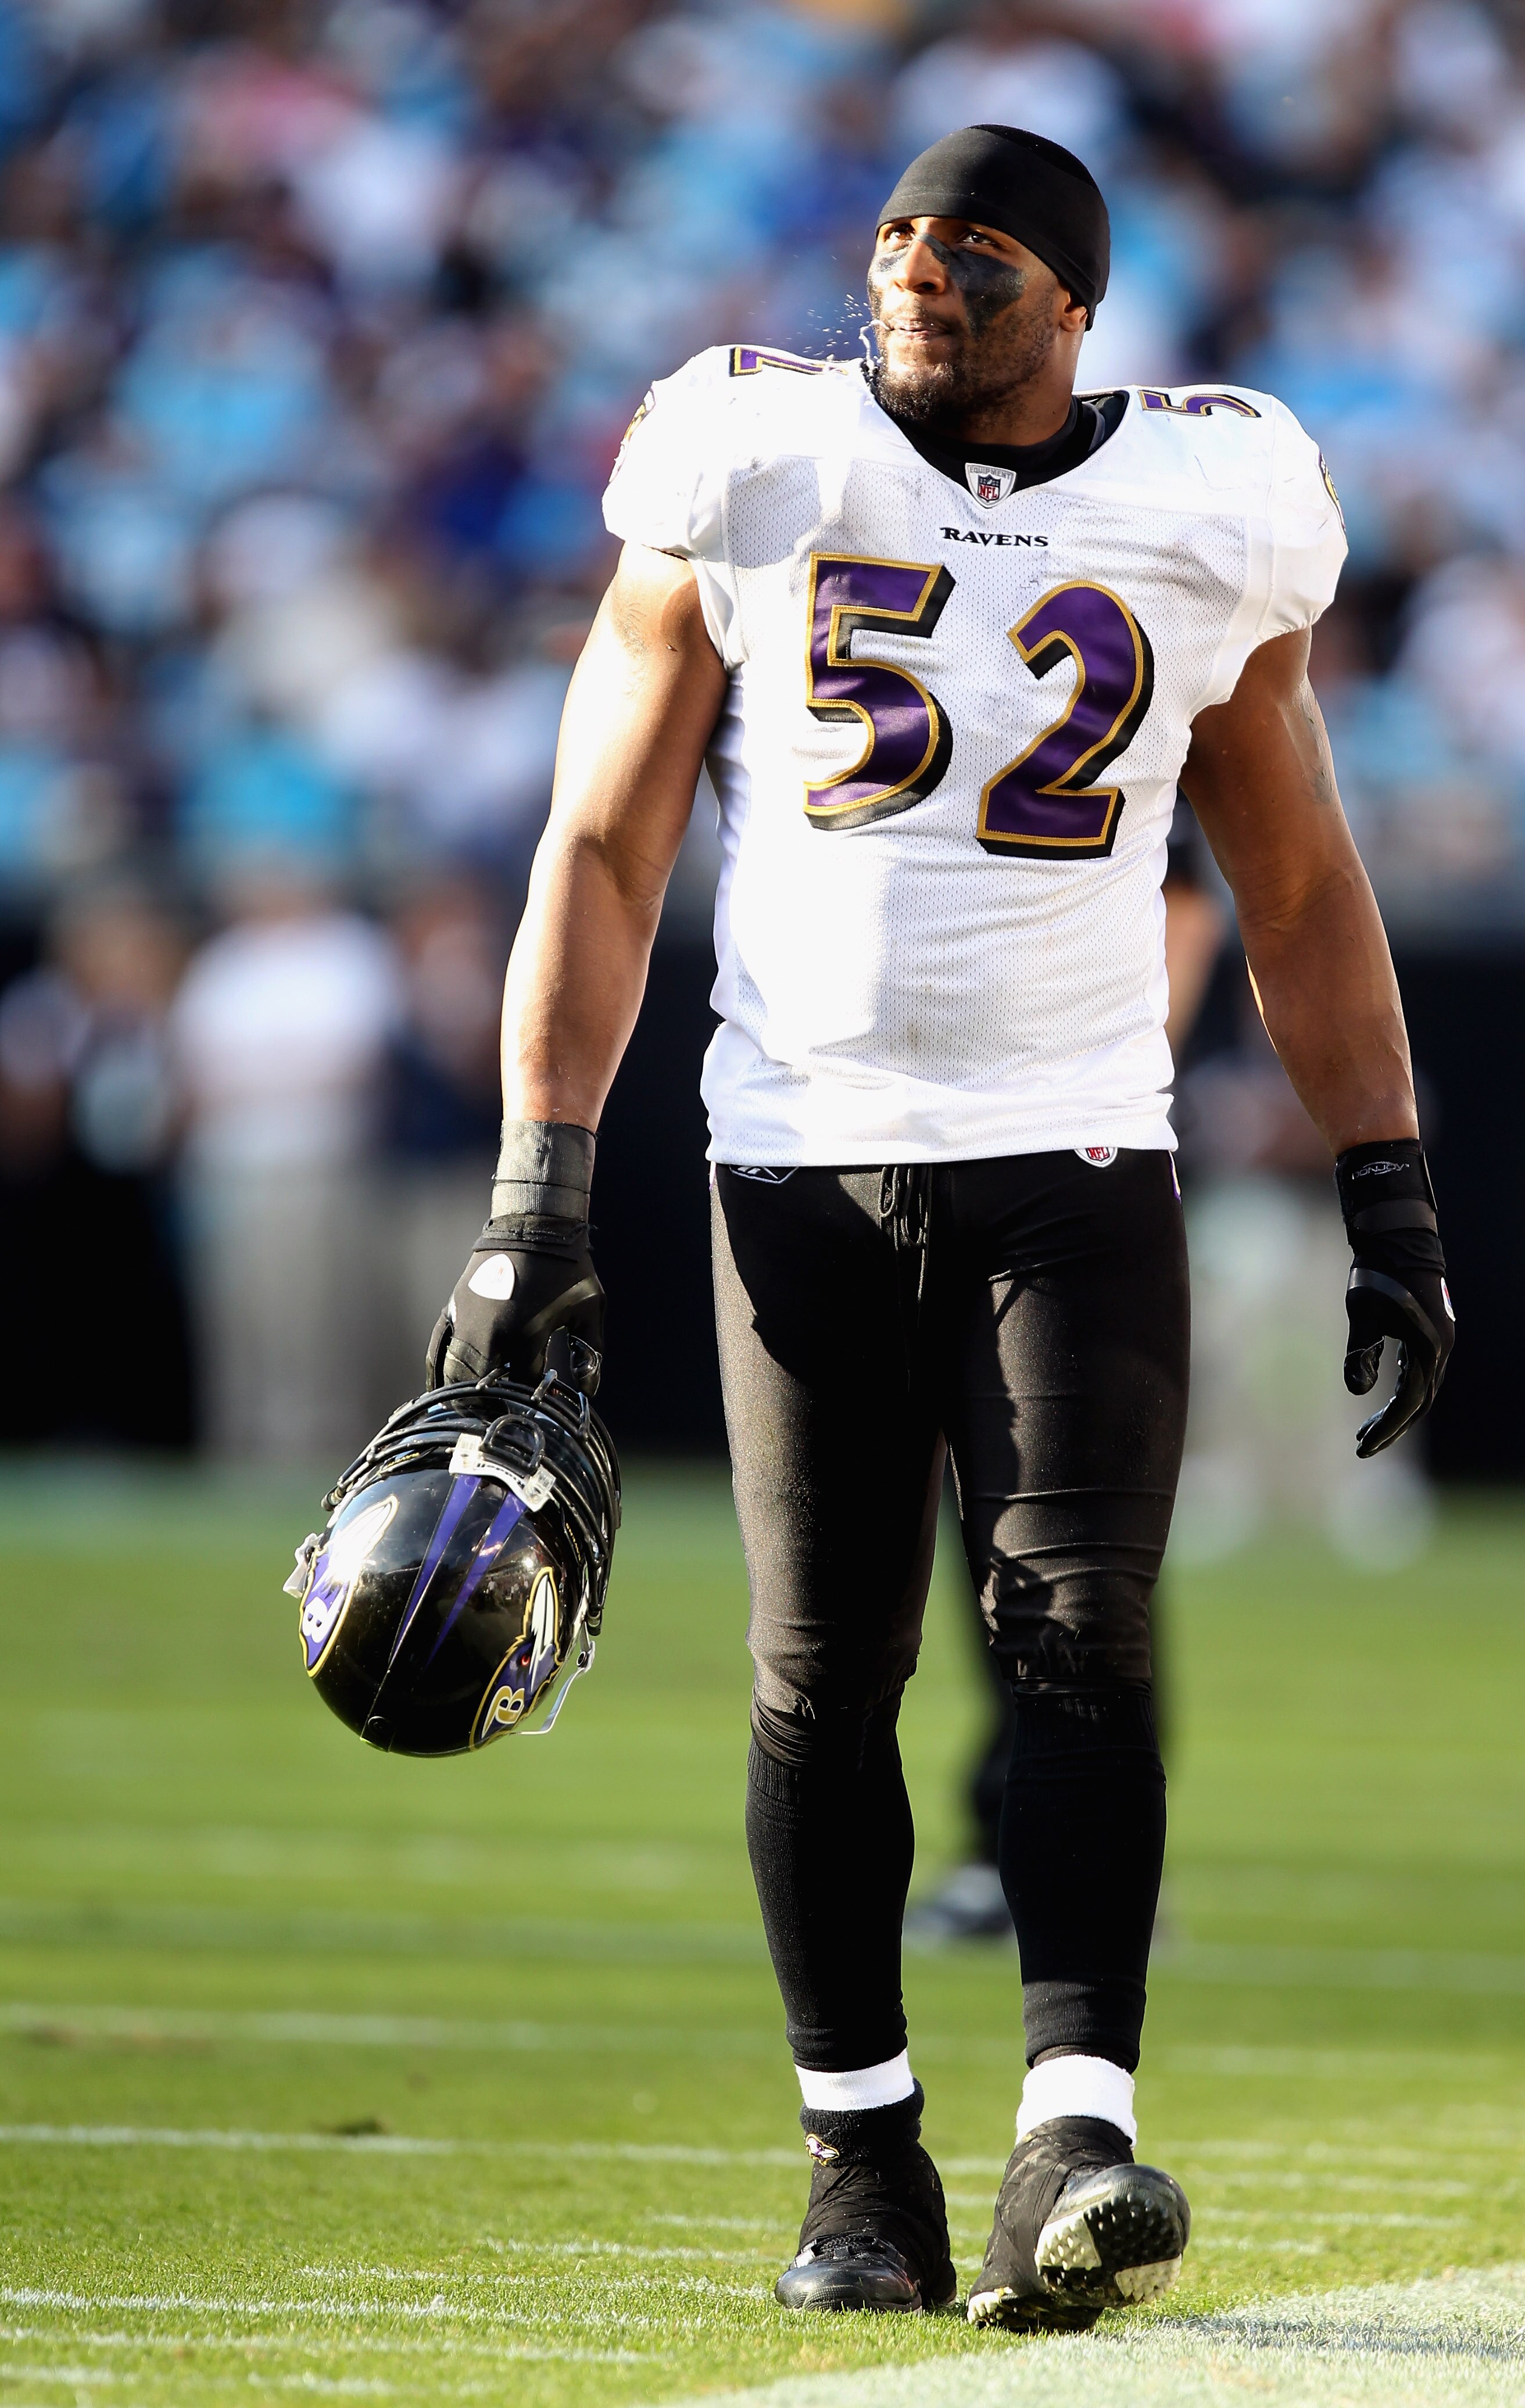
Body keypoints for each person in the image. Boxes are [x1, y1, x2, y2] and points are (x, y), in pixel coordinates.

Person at [425, 125, 1454, 2330]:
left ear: (1075, 302)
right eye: (895, 235)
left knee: (1076, 1628)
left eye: (977, 251)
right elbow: (599, 846)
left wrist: (1384, 1172)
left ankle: (1070, 2130)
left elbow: (1295, 878)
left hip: (1078, 1150)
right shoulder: (747, 454)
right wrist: (537, 1178)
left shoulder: (1210, 498)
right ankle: (858, 2160)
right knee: (825, 1678)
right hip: (796, 1147)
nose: (919, 273)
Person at [907, 810, 1227, 1945]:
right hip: (910, 1133)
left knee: (1080, 1515)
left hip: (1065, 1146)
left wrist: (1114, 1076)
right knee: (964, 1508)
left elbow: (1185, 899)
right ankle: (1011, 1829)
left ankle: (1081, 1852)